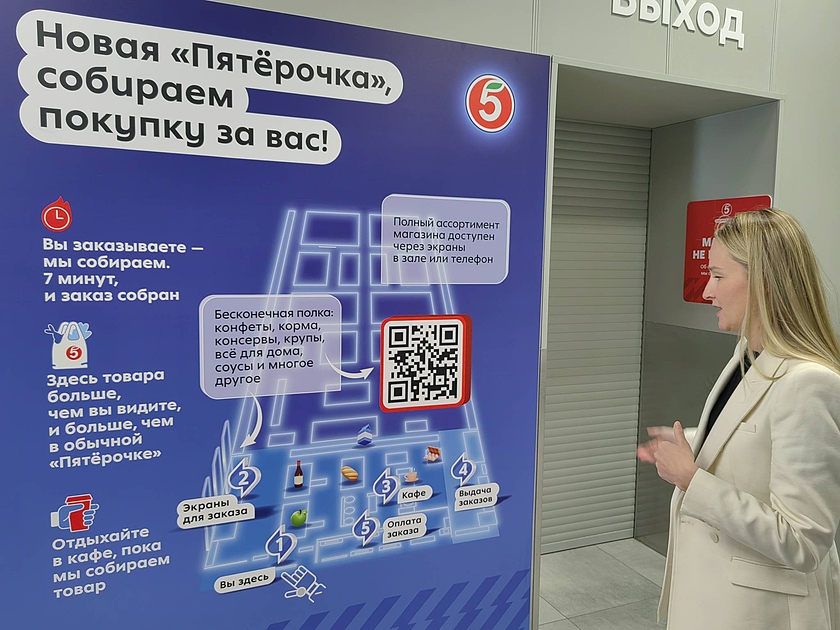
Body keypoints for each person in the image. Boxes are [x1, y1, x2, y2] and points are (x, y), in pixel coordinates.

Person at [637, 208, 840, 629]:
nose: (707, 290)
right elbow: (754, 438)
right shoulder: (749, 353)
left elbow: (803, 541)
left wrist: (692, 479)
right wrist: (695, 442)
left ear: (764, 283)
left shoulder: (809, 384)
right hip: (716, 599)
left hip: (759, 614)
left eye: (717, 276)